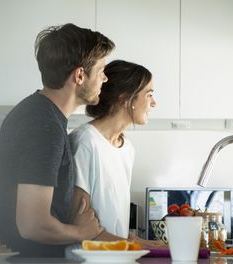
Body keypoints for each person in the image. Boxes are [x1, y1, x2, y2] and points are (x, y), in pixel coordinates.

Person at [0, 23, 115, 258]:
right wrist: (80, 231)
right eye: (101, 69)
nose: (105, 78)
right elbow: (33, 224)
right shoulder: (43, 125)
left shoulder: (42, 115)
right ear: (80, 75)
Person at [69, 60, 163, 247]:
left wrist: (145, 243)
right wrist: (138, 247)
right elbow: (80, 225)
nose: (154, 103)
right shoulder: (86, 142)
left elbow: (112, 224)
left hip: (115, 255)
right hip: (87, 258)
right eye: (149, 94)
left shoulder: (127, 148)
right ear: (125, 98)